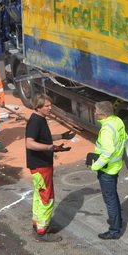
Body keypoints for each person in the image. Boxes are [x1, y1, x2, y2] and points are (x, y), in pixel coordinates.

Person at [24, 94, 73, 241]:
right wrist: (50, 147)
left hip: (39, 166)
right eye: (47, 106)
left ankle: (38, 224)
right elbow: (30, 143)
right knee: (47, 197)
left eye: (50, 105)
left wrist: (61, 137)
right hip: (41, 166)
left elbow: (43, 138)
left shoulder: (40, 119)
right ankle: (42, 232)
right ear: (38, 107)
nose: (50, 108)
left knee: (39, 195)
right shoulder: (35, 122)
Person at [87, 101, 126, 240]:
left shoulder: (106, 130)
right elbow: (124, 138)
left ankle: (114, 230)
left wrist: (95, 166)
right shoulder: (117, 121)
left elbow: (108, 151)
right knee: (113, 196)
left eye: (96, 110)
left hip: (107, 170)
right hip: (115, 167)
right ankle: (117, 220)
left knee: (110, 200)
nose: (94, 112)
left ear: (102, 114)